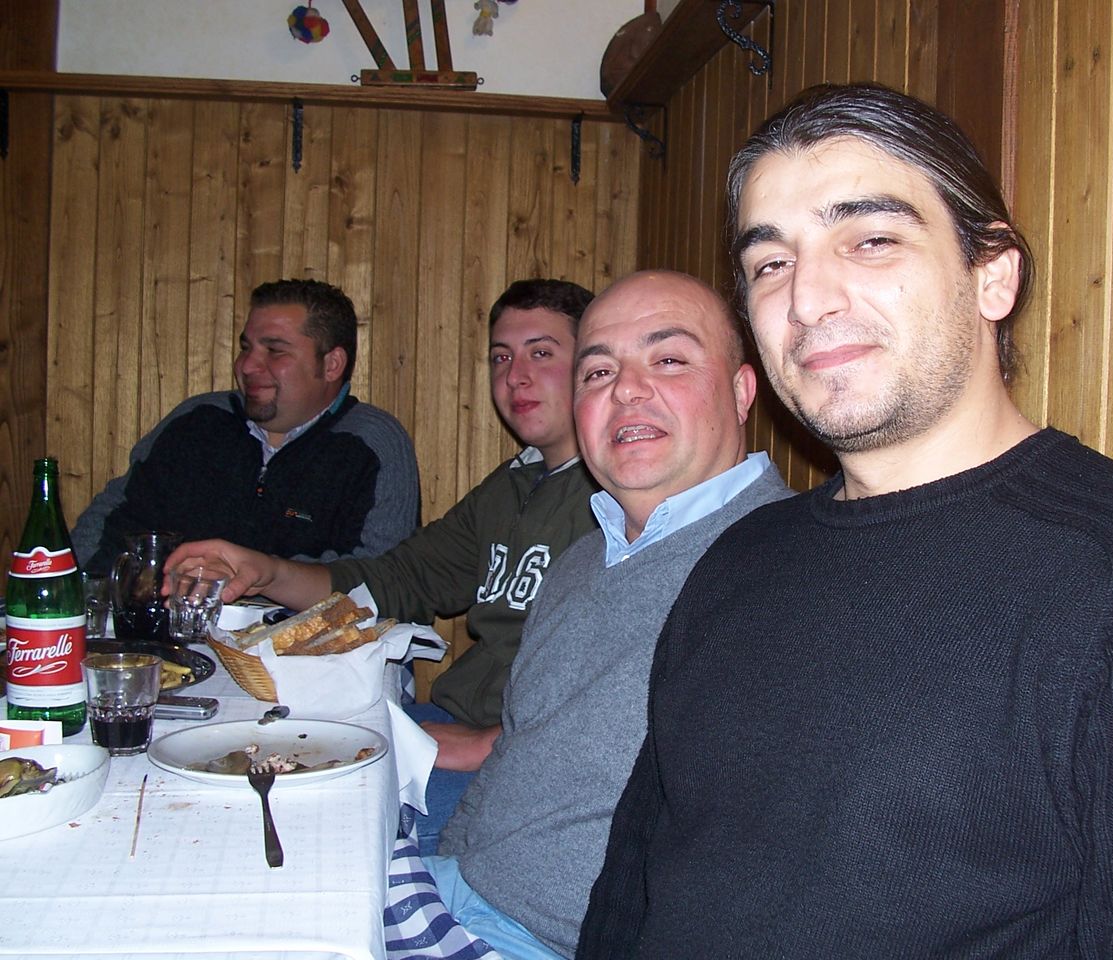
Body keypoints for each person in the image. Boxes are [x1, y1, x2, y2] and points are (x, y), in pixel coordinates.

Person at [577, 84, 1113, 958]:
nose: (807, 300)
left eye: (870, 240)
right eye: (771, 263)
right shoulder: (739, 556)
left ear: (993, 276)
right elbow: (632, 882)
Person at [384, 270, 792, 960]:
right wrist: (445, 868)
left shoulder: (787, 572)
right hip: (455, 891)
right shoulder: (582, 558)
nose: (625, 389)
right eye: (598, 372)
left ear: (741, 391)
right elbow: (514, 749)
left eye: (668, 359)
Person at [166, 278, 601, 846]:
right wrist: (265, 571)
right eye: (501, 357)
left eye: (540, 353)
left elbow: (625, 676)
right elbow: (398, 579)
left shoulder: (620, 498)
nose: (514, 376)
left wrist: (493, 742)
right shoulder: (513, 482)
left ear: (593, 364)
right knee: (242, 783)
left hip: (524, 758)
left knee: (318, 838)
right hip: (451, 723)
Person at [72, 278, 420, 573]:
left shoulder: (372, 444)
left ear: (331, 365)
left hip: (306, 635)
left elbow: (385, 580)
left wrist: (250, 578)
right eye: (246, 347)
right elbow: (103, 530)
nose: (247, 365)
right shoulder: (197, 420)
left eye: (275, 351)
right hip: (174, 626)